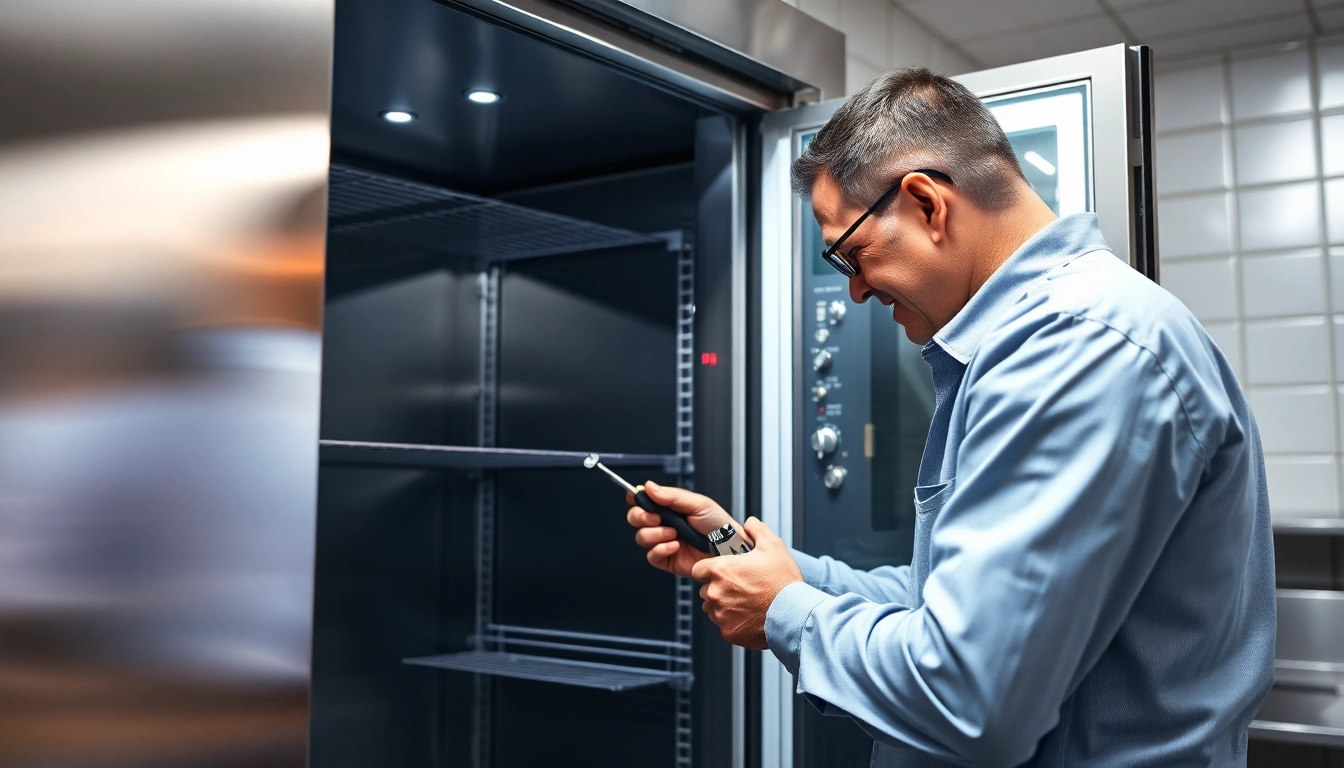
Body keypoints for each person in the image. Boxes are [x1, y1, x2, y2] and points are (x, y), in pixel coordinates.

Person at [627, 67, 1275, 767]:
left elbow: (972, 701)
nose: (853, 291)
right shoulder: (1022, 349)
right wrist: (780, 574)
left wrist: (784, 613)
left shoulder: (1077, 348)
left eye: (851, 253)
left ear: (926, 203)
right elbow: (945, 602)